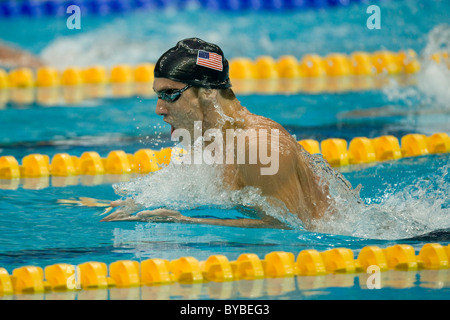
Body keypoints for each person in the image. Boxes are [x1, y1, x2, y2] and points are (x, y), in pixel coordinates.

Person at [101, 38, 335, 229]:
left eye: (170, 94)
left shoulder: (259, 145)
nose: (159, 109)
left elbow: (290, 228)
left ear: (208, 92)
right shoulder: (211, 139)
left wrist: (184, 221)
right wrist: (144, 203)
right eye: (158, 96)